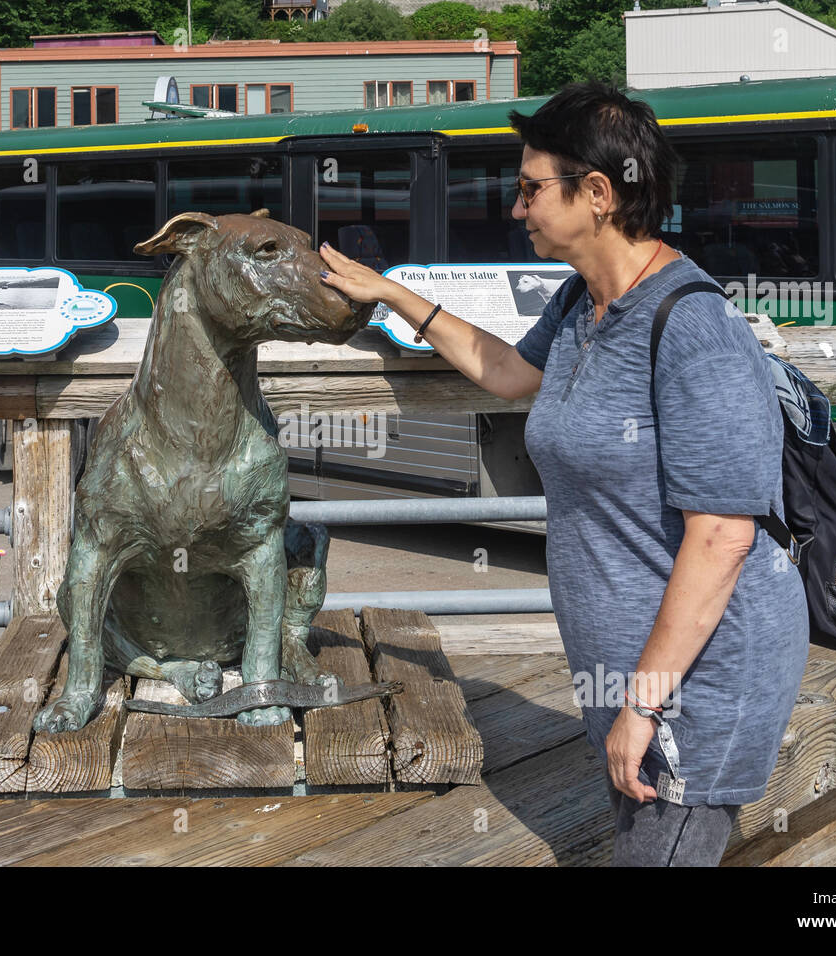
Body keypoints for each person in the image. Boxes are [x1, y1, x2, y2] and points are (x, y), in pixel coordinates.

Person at [317, 81, 809, 866]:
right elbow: (510, 373)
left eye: (530, 189)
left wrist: (644, 705)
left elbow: (722, 538)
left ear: (599, 194)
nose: (518, 209)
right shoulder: (588, 303)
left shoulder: (696, 331)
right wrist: (390, 295)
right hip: (628, 674)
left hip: (697, 681)